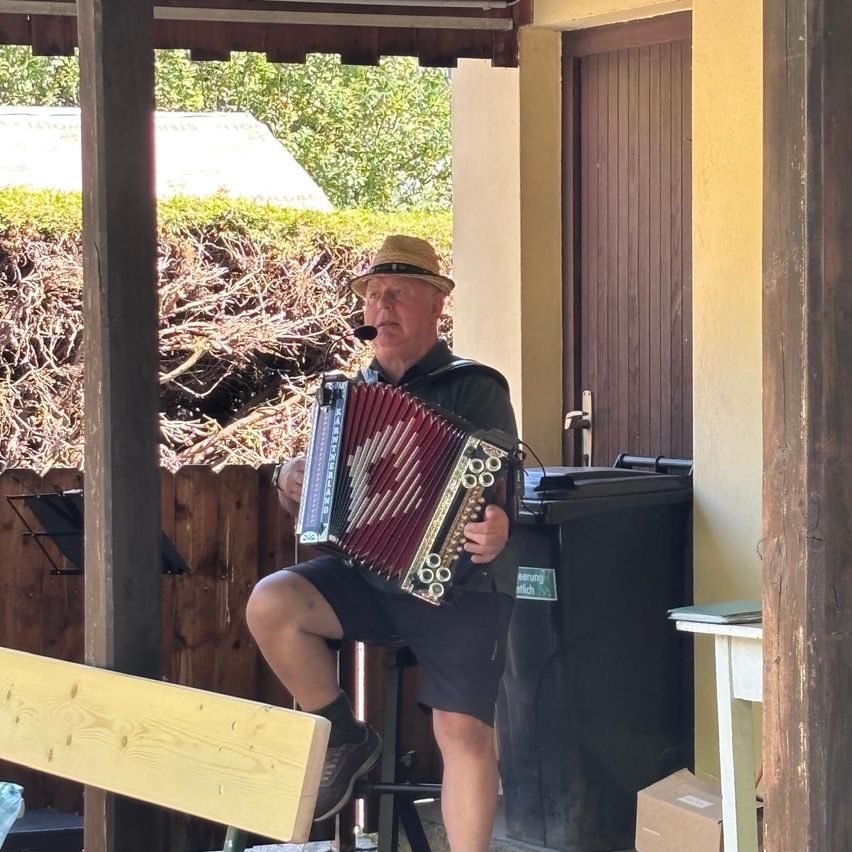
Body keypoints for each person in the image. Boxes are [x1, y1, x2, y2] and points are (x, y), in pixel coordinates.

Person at [246, 234, 518, 852]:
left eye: (398, 294)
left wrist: (499, 525)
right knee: (272, 602)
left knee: (463, 731)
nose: (382, 307)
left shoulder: (474, 386)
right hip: (370, 580)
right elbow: (320, 484)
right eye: (373, 295)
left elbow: (505, 486)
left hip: (462, 588)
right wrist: (289, 477)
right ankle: (343, 732)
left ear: (434, 306)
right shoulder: (347, 396)